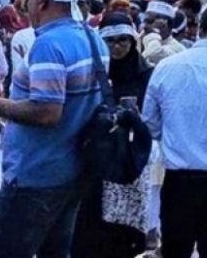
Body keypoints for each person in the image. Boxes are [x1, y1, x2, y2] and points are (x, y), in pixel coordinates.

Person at [0, 0, 106, 258]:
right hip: (72, 172)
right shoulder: (92, 38)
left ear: (42, 1)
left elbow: (47, 113)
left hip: (35, 177)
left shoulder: (49, 45)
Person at [142, 1, 207, 258]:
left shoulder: (166, 67)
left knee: (174, 251)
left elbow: (150, 124)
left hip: (178, 183)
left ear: (200, 28)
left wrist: (178, 136)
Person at [72, 13, 153, 258]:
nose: (116, 47)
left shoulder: (146, 75)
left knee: (122, 233)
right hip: (95, 162)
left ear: (132, 41)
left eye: (122, 40)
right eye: (110, 41)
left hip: (127, 164)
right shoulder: (91, 73)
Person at [140, 0, 185, 66]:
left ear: (164, 24)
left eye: (149, 22)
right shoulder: (142, 39)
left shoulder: (178, 50)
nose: (145, 26)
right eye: (145, 21)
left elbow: (154, 54)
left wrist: (154, 33)